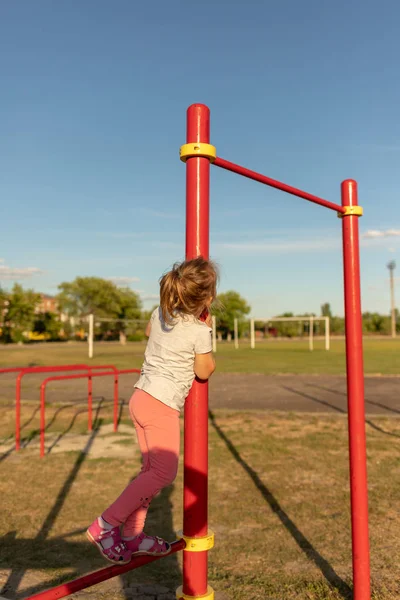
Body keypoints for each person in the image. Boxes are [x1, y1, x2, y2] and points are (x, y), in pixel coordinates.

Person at [87, 257, 218, 564]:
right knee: (163, 472)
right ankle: (105, 526)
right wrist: (205, 330)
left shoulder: (159, 313)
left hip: (140, 397)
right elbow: (204, 371)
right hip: (161, 405)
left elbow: (149, 332)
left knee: (150, 473)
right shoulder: (199, 331)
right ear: (207, 299)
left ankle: (133, 535)